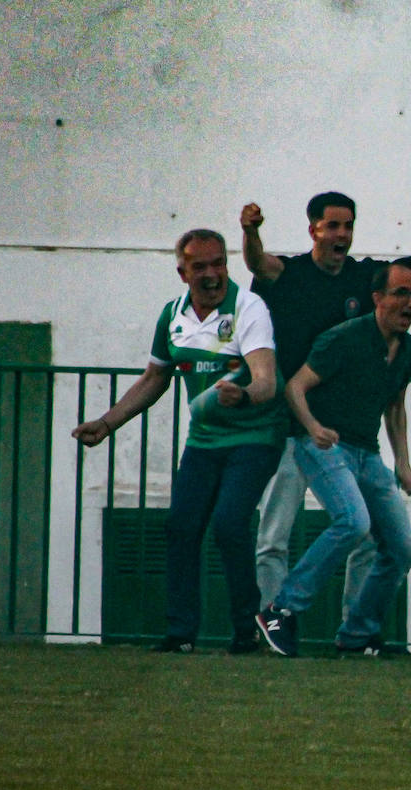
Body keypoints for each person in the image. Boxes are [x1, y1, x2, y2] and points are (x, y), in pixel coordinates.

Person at [241, 193, 411, 629]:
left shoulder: (366, 279)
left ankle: (353, 632)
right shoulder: (293, 273)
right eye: (333, 226)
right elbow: (259, 264)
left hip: (350, 434)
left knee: (372, 538)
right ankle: (274, 620)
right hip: (293, 424)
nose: (342, 234)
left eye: (348, 226)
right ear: (314, 230)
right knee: (275, 536)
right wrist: (250, 231)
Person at [72, 229, 285, 654]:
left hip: (255, 437)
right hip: (204, 442)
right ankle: (181, 634)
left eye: (218, 263)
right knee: (181, 527)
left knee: (228, 524)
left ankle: (246, 632)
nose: (211, 274)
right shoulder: (173, 315)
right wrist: (108, 423)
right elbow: (155, 377)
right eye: (200, 267)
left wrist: (242, 395)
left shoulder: (248, 307)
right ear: (182, 272)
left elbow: (266, 380)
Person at [256, 259, 411, 657]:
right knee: (353, 521)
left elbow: (395, 405)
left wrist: (403, 463)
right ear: (377, 298)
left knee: (402, 549)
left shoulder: (409, 349)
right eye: (401, 293)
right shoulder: (344, 338)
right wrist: (313, 427)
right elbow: (295, 386)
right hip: (322, 446)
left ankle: (357, 634)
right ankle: (281, 609)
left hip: (367, 452)